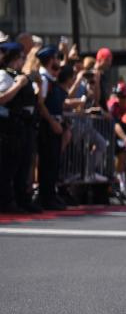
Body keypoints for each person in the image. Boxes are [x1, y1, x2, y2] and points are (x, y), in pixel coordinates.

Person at [0, 42, 39, 212]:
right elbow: (2, 98)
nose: (23, 60)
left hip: (24, 125)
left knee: (23, 164)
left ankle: (22, 199)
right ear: (14, 58)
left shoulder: (19, 74)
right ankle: (8, 202)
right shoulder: (4, 74)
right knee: (9, 167)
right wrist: (18, 85)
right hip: (10, 126)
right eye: (21, 57)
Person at [35, 45, 67, 210]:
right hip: (48, 127)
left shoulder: (50, 78)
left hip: (54, 124)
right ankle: (46, 196)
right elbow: (41, 104)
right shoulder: (43, 79)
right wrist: (52, 122)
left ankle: (50, 195)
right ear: (49, 60)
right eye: (55, 58)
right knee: (47, 162)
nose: (58, 61)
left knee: (53, 162)